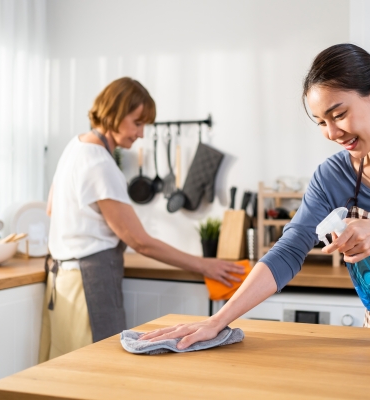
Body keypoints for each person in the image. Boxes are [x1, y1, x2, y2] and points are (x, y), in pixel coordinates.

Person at [141, 44, 370, 348]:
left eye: (338, 114)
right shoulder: (334, 175)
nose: (332, 133)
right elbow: (290, 248)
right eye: (321, 122)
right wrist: (217, 320)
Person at [39, 77, 244, 361]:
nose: (141, 134)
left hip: (63, 279)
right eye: (137, 123)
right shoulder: (99, 162)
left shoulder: (75, 147)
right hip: (89, 281)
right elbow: (140, 242)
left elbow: (51, 208)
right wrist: (203, 265)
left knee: (65, 368)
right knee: (95, 371)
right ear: (114, 112)